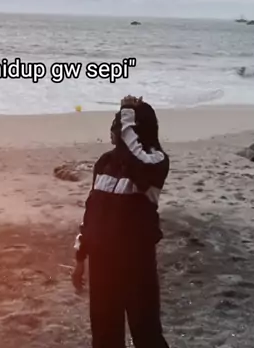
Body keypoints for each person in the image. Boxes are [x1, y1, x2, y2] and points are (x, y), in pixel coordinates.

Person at [71, 95, 170, 348]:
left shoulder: (155, 161)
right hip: (102, 264)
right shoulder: (105, 162)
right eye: (116, 122)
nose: (114, 129)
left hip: (136, 262)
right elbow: (91, 213)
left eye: (121, 124)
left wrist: (127, 112)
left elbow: (138, 166)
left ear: (136, 130)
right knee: (105, 337)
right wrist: (80, 257)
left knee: (146, 335)